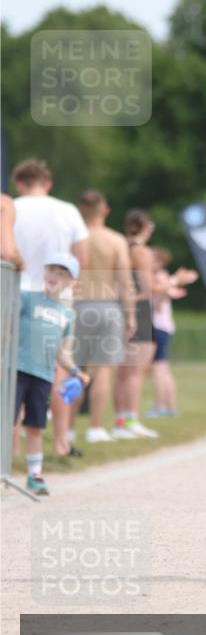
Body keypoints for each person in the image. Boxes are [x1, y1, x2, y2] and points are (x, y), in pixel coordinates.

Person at [12, 160, 89, 456]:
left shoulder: (12, 207)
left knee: (14, 368)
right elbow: (82, 255)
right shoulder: (67, 210)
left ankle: (13, 444)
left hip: (17, 293)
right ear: (48, 183)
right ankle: (60, 441)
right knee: (57, 364)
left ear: (19, 183)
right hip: (59, 295)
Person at [14, 253, 90, 495]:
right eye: (51, 270)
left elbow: (61, 353)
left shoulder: (67, 314)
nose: (54, 276)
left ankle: (35, 475)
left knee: (35, 426)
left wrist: (77, 372)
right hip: (17, 369)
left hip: (44, 375)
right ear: (44, 273)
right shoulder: (27, 299)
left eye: (62, 273)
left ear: (71, 282)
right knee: (7, 422)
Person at [70, 190, 137, 444]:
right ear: (105, 210)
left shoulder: (73, 239)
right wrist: (131, 316)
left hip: (77, 305)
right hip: (107, 306)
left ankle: (67, 428)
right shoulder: (115, 240)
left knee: (74, 370)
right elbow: (124, 282)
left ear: (81, 209)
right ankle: (96, 428)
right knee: (104, 371)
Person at [112, 210, 158, 439]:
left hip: (120, 308)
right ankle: (131, 419)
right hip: (139, 309)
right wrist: (171, 285)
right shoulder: (142, 251)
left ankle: (120, 420)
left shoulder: (120, 247)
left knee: (122, 371)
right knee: (136, 371)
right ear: (146, 227)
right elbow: (147, 287)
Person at [145, 247, 198, 417]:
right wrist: (176, 280)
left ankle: (161, 406)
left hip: (158, 326)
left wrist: (175, 279)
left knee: (158, 368)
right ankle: (170, 407)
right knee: (164, 368)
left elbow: (157, 292)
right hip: (163, 326)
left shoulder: (160, 277)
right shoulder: (164, 278)